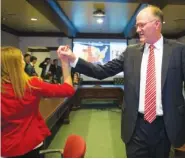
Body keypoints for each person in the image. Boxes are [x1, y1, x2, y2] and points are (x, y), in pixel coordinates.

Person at [57, 5, 185, 158]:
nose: (138, 29)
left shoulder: (178, 51)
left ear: (157, 24)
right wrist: (73, 59)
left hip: (166, 127)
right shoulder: (130, 52)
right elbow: (101, 71)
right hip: (135, 127)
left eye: (141, 25)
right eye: (137, 25)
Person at [1, 46, 75, 158]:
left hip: (5, 148)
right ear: (18, 65)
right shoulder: (32, 84)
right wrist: (65, 63)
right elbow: (68, 89)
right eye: (22, 59)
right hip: (31, 144)